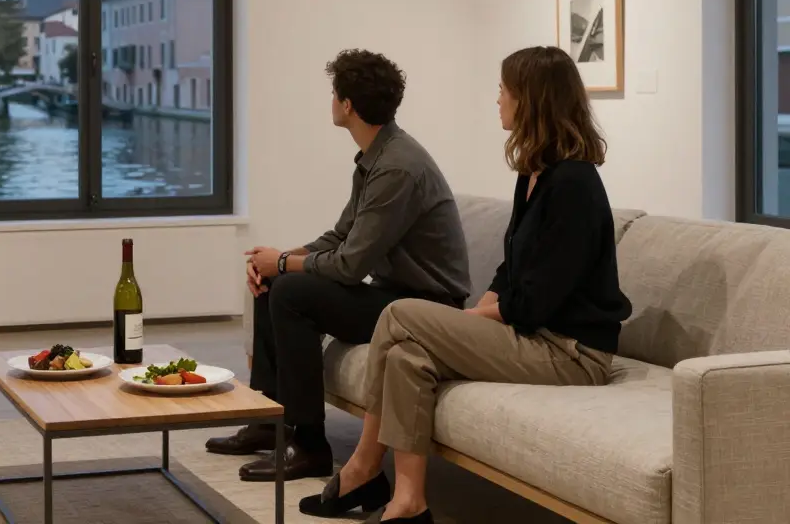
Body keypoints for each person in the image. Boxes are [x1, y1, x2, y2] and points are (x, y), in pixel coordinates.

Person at [300, 46, 634, 523]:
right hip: (535, 335)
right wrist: (482, 309)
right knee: (405, 355)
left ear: (531, 99)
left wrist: (467, 319)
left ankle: (363, 466)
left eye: (504, 89)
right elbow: (511, 270)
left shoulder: (575, 184)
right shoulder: (534, 174)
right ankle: (409, 503)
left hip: (572, 352)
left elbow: (536, 302)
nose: (497, 98)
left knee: (399, 314)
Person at [205, 49, 472, 483]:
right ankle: (269, 420)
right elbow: (341, 235)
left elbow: (349, 266)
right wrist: (277, 261)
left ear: (347, 105)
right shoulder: (377, 157)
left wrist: (286, 265)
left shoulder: (398, 168)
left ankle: (310, 445)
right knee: (278, 283)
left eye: (334, 93)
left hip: (426, 308)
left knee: (291, 291)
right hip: (395, 296)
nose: (331, 100)